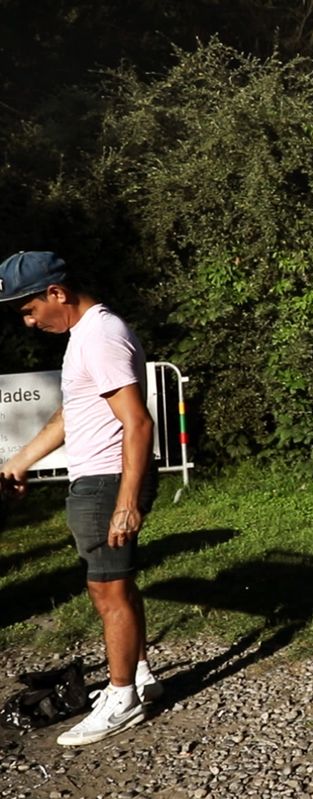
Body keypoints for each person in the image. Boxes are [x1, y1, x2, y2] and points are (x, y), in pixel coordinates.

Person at [0, 250, 163, 747]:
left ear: (57, 293)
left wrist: (127, 501)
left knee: (107, 590)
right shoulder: (84, 338)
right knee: (115, 585)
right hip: (98, 480)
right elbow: (73, 416)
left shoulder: (102, 336)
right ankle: (136, 676)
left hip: (109, 481)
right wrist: (18, 462)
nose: (28, 322)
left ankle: (120, 700)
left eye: (28, 310)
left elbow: (137, 423)